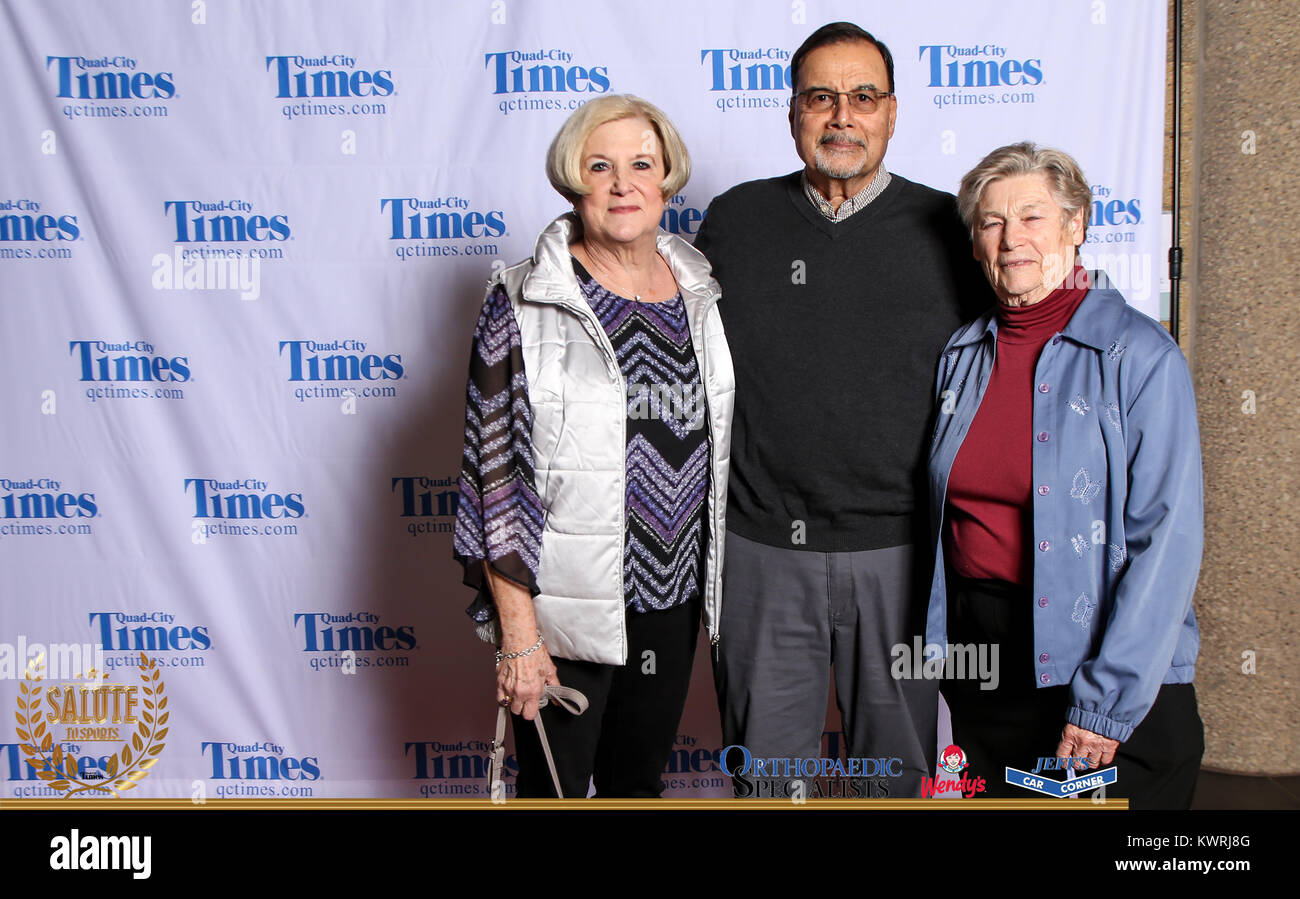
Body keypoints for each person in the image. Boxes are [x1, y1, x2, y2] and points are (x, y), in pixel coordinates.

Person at [693, 22, 988, 797]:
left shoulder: (948, 227)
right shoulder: (735, 220)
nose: (842, 117)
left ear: (893, 113)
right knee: (767, 779)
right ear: (793, 113)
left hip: (904, 554)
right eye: (821, 97)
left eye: (864, 97)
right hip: (761, 548)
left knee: (895, 781)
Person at [452, 95, 734, 798]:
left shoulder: (699, 289)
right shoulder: (521, 298)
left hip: (670, 600)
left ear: (668, 177)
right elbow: (495, 481)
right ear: (573, 180)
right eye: (598, 165)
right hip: (565, 608)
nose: (621, 183)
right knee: (554, 790)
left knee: (635, 788)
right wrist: (519, 639)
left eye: (641, 164)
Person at [926, 141, 1204, 807]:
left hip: (1102, 663)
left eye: (1032, 217)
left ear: (1077, 225)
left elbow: (1166, 542)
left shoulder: (1141, 356)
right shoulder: (961, 355)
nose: (1011, 238)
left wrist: (1106, 702)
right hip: (987, 668)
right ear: (974, 242)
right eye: (991, 222)